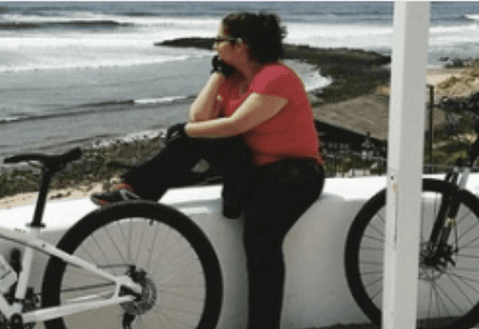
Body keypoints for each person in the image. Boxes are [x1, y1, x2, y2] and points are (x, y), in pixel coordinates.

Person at [91, 11, 324, 329]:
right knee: (196, 137)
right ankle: (134, 190)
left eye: (219, 40)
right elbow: (199, 117)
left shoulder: (276, 77)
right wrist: (217, 74)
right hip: (254, 169)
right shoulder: (233, 79)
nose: (214, 46)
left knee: (260, 243)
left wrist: (186, 131)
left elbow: (235, 124)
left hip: (295, 175)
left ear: (240, 45)